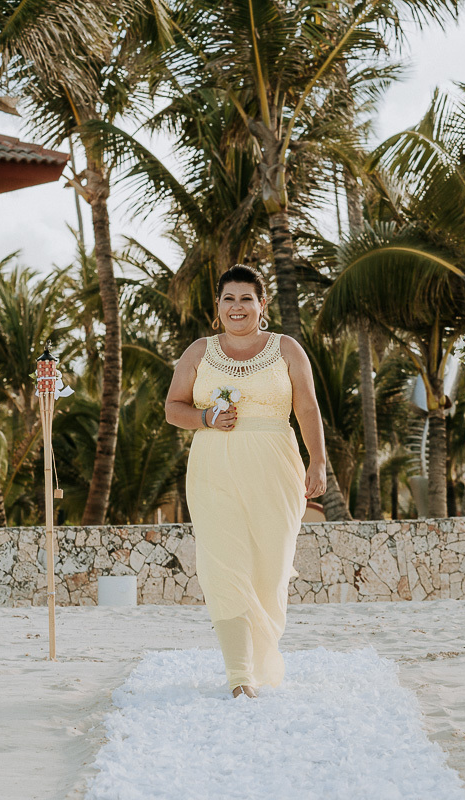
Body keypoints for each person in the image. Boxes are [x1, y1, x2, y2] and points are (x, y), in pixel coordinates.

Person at [165, 264, 328, 699]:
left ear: (262, 304)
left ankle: (261, 660)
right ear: (217, 306)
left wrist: (318, 461)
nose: (237, 307)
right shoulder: (199, 352)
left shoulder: (286, 349)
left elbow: (307, 408)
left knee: (270, 569)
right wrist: (205, 417)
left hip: (276, 468)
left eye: (246, 299)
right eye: (229, 299)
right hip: (213, 468)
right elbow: (173, 408)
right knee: (223, 566)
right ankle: (240, 675)